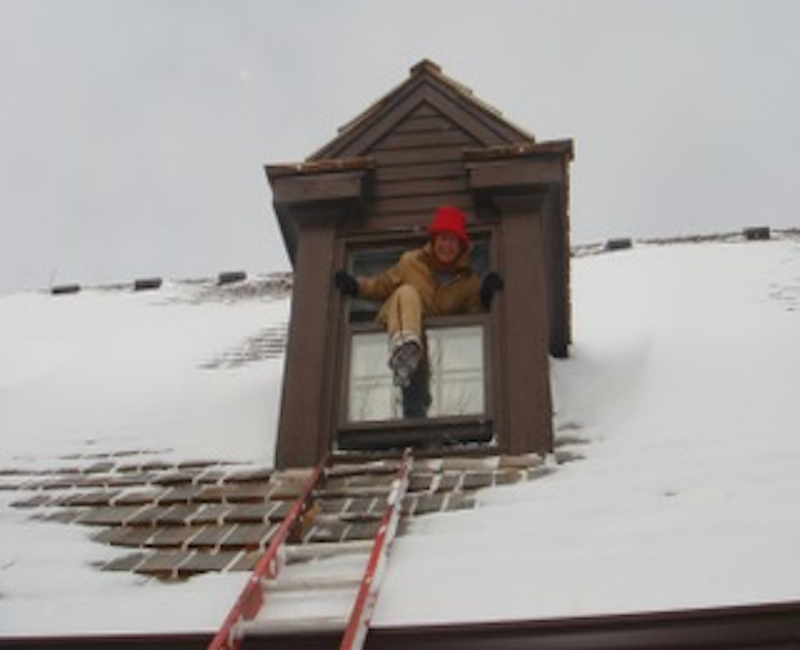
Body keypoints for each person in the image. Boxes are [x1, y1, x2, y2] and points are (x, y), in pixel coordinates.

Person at [334, 206, 503, 416]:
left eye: (453, 240)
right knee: (406, 292)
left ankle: (413, 382)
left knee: (419, 394)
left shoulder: (468, 284)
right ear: (433, 241)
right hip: (395, 317)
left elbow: (475, 315)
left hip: (429, 355)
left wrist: (487, 294)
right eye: (443, 238)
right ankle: (403, 349)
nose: (447, 245)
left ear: (461, 246)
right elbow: (380, 286)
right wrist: (355, 286)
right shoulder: (410, 262)